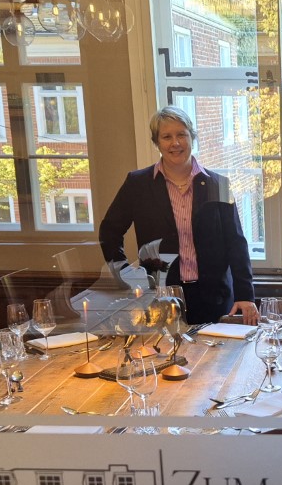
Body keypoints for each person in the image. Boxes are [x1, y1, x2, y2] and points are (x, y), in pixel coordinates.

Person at [99, 105, 259, 325]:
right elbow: (109, 232)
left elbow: (236, 242)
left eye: (181, 135)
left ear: (192, 137)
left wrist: (245, 294)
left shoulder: (218, 185)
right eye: (166, 137)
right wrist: (125, 274)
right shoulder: (138, 184)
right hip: (160, 298)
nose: (175, 143)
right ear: (157, 143)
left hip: (214, 299)